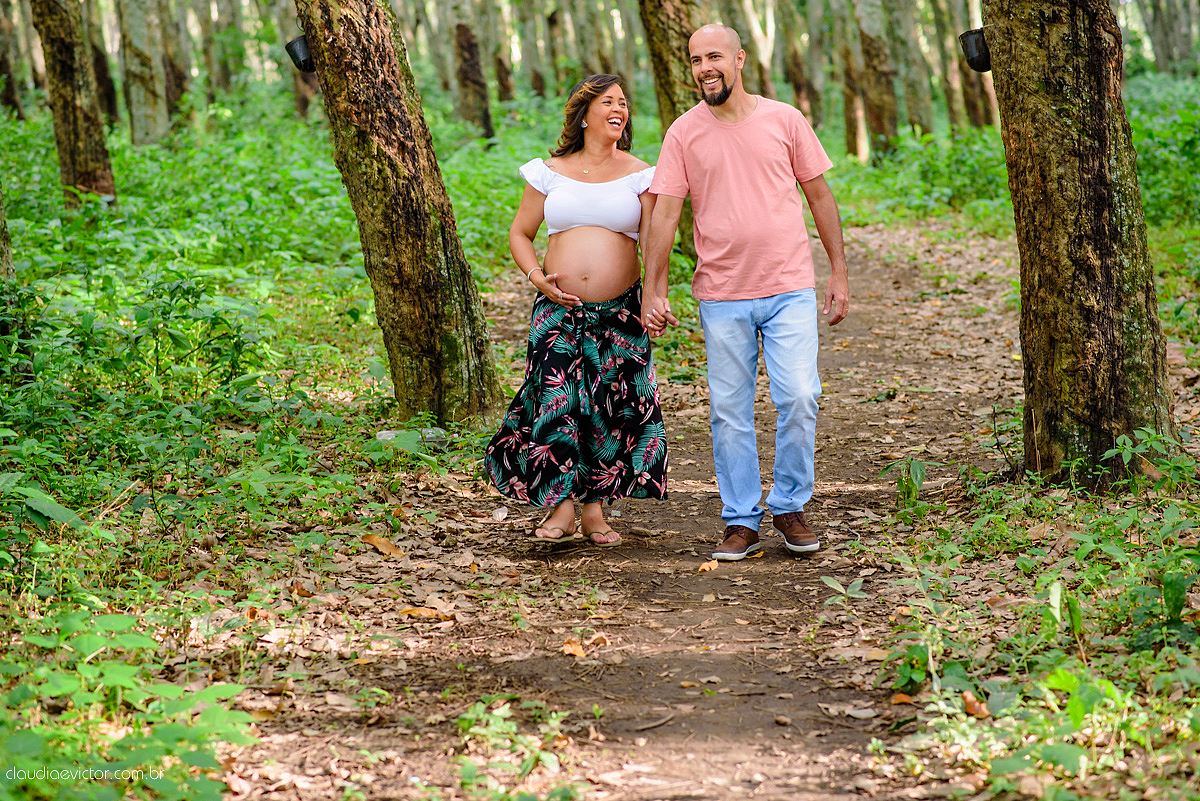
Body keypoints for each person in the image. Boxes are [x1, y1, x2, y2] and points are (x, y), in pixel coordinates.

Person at [641, 24, 849, 561]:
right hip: (723, 293)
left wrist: (839, 272)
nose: (704, 67)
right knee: (730, 411)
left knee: (800, 395)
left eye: (713, 56)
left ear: (738, 58)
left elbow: (819, 196)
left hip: (789, 287)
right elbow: (665, 213)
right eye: (694, 60)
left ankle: (789, 505)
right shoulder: (683, 132)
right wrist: (654, 289)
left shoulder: (784, 119)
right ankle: (740, 518)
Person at [485, 74, 668, 547]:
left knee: (606, 407)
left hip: (619, 311)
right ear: (584, 113)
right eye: (608, 101)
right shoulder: (548, 171)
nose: (619, 109)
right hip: (557, 309)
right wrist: (536, 278)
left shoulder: (641, 173)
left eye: (624, 103)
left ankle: (594, 511)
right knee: (559, 404)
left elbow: (651, 241)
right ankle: (561, 508)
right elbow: (520, 234)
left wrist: (654, 296)